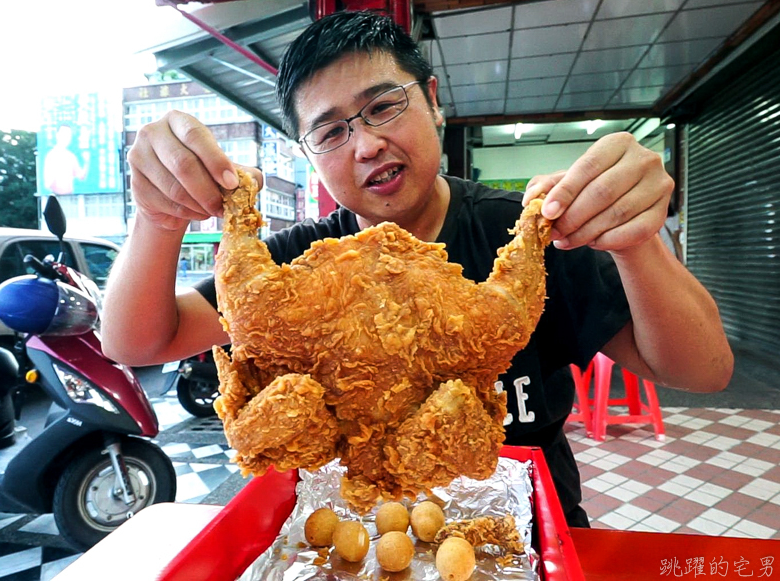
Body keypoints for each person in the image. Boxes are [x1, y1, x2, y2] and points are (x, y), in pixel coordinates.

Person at [101, 11, 733, 527]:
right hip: (357, 541)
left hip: (536, 533)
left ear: (432, 101)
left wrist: (636, 240)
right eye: (331, 132)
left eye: (382, 106)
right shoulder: (295, 270)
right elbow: (133, 342)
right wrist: (158, 219)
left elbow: (702, 370)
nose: (367, 144)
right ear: (310, 155)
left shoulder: (533, 237)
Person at [42, 124, 90, 195]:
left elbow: (81, 176)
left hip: (70, 196)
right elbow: (47, 184)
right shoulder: (51, 156)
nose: (66, 137)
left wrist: (87, 162)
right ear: (57, 135)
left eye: (68, 135)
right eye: (64, 134)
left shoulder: (71, 156)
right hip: (55, 196)